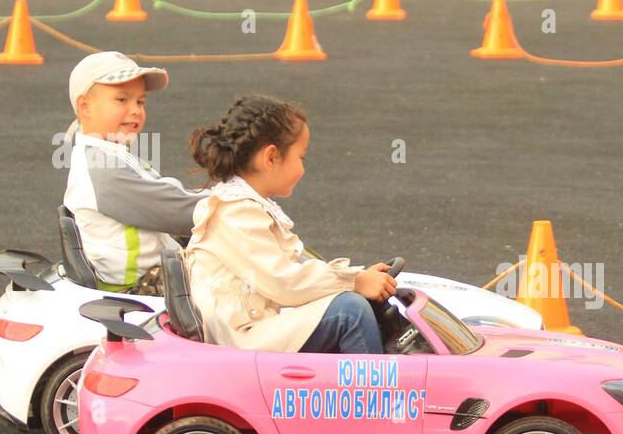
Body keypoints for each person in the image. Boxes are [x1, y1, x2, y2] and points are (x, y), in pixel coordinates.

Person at [183, 94, 395, 354]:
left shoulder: (245, 206)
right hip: (241, 340)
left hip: (251, 328)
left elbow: (289, 276)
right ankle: (373, 393)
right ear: (271, 157)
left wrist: (358, 278)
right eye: (301, 157)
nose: (303, 169)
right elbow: (284, 282)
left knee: (348, 303)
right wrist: (353, 282)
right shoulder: (235, 211)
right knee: (350, 313)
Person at [62, 51, 203, 292]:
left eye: (140, 101)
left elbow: (164, 192)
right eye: (122, 100)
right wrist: (230, 204)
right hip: (135, 288)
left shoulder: (110, 152)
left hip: (150, 274)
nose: (136, 110)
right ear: (85, 106)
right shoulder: (103, 169)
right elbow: (174, 210)